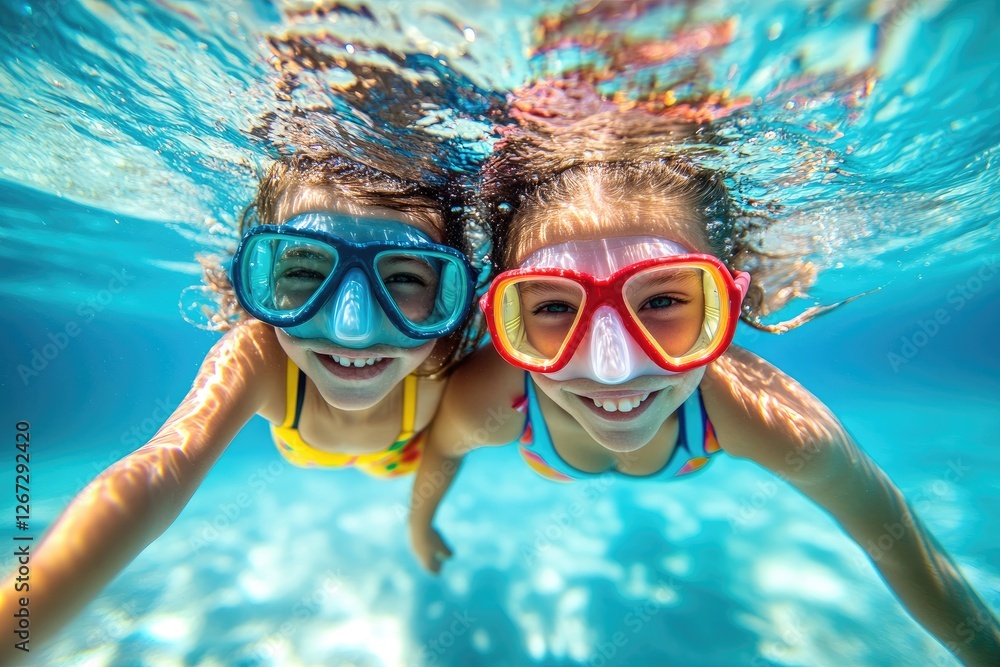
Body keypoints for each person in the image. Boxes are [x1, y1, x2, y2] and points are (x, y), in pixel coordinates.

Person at [408, 158, 1000, 665]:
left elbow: (893, 536)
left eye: (663, 299)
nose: (613, 366)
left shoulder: (758, 413)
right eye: (555, 306)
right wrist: (421, 524)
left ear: (728, 306)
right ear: (504, 318)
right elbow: (441, 452)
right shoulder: (493, 394)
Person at [0, 153, 481, 660]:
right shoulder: (259, 357)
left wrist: (419, 524)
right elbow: (161, 469)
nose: (351, 329)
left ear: (448, 299)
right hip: (315, 446)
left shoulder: (445, 365)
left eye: (405, 278)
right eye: (303, 268)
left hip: (402, 456)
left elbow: (446, 452)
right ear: (262, 281)